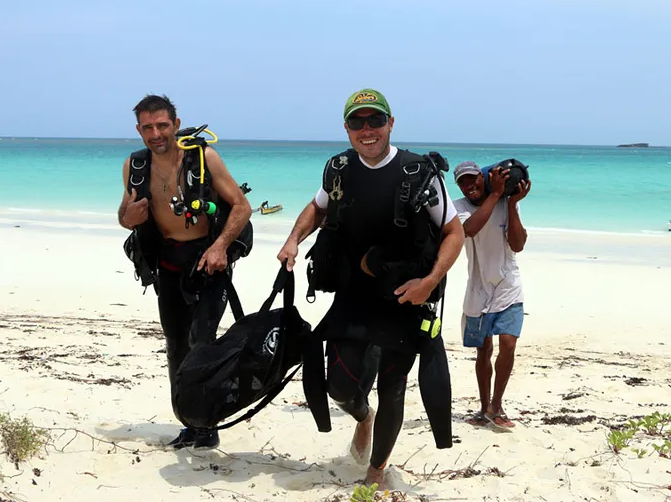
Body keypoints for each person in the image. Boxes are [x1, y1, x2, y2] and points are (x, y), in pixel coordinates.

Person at [277, 89, 464, 488]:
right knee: (340, 386)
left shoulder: (418, 172)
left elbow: (453, 231)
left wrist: (429, 282)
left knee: (393, 387)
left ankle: (376, 472)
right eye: (357, 122)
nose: (367, 130)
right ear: (346, 128)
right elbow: (318, 207)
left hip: (404, 296)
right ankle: (363, 417)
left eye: (375, 121)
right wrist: (294, 239)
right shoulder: (340, 168)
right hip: (354, 295)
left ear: (390, 124)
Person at [117, 94, 253, 451]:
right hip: (167, 266)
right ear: (139, 130)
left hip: (208, 262)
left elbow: (242, 206)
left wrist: (220, 246)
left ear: (176, 125)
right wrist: (126, 219)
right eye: (148, 127)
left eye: (162, 125)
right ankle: (187, 421)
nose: (156, 133)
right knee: (176, 345)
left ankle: (207, 423)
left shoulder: (203, 158)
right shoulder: (135, 166)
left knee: (201, 343)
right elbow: (124, 214)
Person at [452, 160, 531, 430]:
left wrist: (510, 203)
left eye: (473, 179)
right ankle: (484, 406)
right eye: (462, 182)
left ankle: (497, 405)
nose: (468, 186)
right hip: (477, 290)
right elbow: (469, 229)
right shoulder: (458, 208)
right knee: (483, 350)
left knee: (508, 345)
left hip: (508, 286)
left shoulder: (506, 203)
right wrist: (496, 194)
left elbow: (518, 245)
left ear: (483, 177)